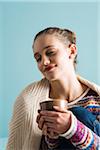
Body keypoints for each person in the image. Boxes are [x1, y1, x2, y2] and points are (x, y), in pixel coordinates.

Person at [6, 27, 100, 150]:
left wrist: (72, 128)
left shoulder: (95, 99)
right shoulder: (28, 100)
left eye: (50, 52)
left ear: (71, 51)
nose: (44, 62)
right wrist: (52, 137)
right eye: (38, 58)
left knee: (78, 114)